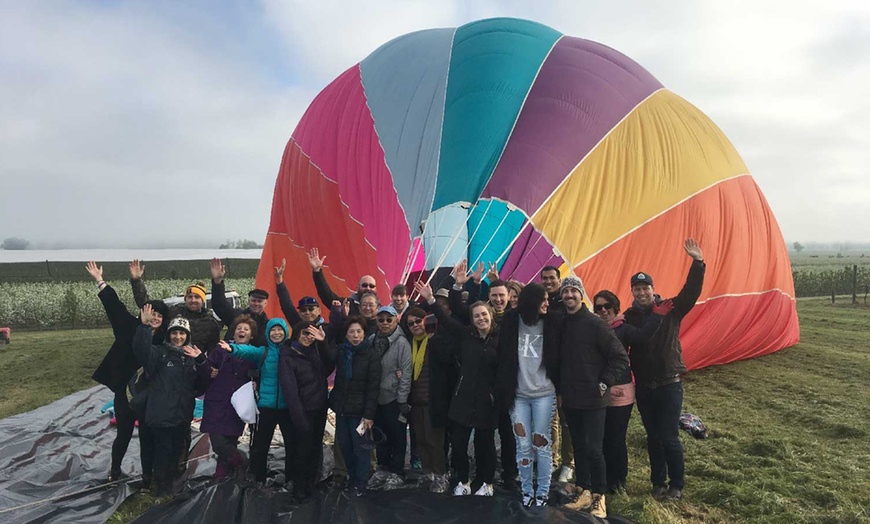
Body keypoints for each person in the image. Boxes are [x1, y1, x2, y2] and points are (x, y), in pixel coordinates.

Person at [624, 238, 705, 501]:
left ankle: (677, 485)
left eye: (645, 287)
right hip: (645, 386)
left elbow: (691, 292)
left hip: (669, 383)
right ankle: (658, 482)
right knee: (653, 437)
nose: (641, 293)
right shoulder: (629, 316)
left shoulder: (671, 308)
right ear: (632, 292)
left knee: (669, 436)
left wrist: (698, 263)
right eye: (637, 289)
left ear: (652, 288)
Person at [415, 278, 500, 497]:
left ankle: (486, 482)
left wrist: (497, 396)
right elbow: (445, 317)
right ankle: (463, 480)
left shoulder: (500, 341)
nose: (481, 318)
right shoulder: (465, 335)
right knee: (460, 445)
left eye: (484, 314)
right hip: (462, 399)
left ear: (491, 316)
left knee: (485, 446)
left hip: (486, 402)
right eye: (477, 315)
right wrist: (431, 299)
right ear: (471, 320)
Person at [86, 261, 168, 484]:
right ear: (145, 313)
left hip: (148, 395)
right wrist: (99, 280)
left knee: (146, 436)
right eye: (153, 314)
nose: (156, 318)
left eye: (160, 316)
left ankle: (147, 475)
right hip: (125, 393)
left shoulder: (164, 342)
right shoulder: (129, 327)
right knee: (123, 434)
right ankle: (115, 469)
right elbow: (114, 306)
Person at [558, 276, 630, 519]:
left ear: (581, 295)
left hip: (593, 397)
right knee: (579, 445)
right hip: (571, 396)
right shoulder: (562, 323)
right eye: (565, 291)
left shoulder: (595, 324)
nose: (569, 295)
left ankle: (600, 496)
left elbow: (620, 357)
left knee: (593, 448)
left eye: (573, 291)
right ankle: (584, 490)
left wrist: (604, 382)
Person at [593, 290, 672, 494]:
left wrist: (656, 315)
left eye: (607, 306)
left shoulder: (624, 329)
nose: (603, 311)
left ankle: (619, 479)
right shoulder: (594, 329)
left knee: (617, 437)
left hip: (621, 390)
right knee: (602, 436)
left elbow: (643, 336)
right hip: (600, 389)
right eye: (598, 307)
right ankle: (604, 477)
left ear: (615, 308)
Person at [495, 283, 561, 507]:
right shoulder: (512, 321)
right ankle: (526, 490)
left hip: (544, 393)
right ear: (532, 301)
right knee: (522, 445)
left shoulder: (553, 321)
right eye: (542, 299)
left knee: (541, 443)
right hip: (519, 394)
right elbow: (503, 355)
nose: (547, 303)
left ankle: (542, 492)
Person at [132, 306, 209, 496]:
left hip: (182, 415)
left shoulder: (191, 357)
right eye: (174, 333)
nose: (178, 337)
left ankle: (171, 483)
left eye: (182, 334)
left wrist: (201, 361)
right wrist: (143, 327)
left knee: (176, 451)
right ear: (168, 335)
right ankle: (161, 488)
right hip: (161, 414)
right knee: (163, 452)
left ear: (187, 336)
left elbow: (203, 384)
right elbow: (141, 352)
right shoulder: (159, 354)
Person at [216, 318, 292, 484]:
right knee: (260, 446)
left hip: (287, 407)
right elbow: (247, 351)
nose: (276, 333)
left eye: (280, 330)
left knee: (291, 446)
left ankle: (291, 478)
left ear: (286, 332)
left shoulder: (291, 351)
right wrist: (232, 348)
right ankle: (258, 478)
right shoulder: (263, 352)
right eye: (273, 330)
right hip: (265, 406)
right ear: (267, 333)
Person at [278, 320, 334, 501]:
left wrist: (322, 341)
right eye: (304, 333)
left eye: (311, 334)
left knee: (315, 448)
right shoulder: (288, 356)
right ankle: (298, 486)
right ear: (296, 334)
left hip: (319, 408)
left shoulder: (315, 352)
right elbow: (290, 390)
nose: (308, 338)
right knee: (301, 450)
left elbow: (331, 363)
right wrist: (298, 416)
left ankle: (311, 482)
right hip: (302, 411)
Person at [197, 314, 257, 481]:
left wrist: (256, 381)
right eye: (239, 328)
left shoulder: (253, 354)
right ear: (234, 332)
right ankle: (239, 462)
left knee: (230, 438)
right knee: (217, 440)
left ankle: (223, 472)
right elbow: (207, 366)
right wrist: (209, 369)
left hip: (237, 403)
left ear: (251, 335)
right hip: (217, 399)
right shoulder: (221, 349)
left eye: (246, 329)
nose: (242, 331)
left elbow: (260, 373)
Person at [329, 315, 382, 497]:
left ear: (364, 333)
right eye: (352, 332)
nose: (355, 335)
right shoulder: (343, 352)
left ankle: (360, 482)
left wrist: (369, 414)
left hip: (360, 413)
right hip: (343, 410)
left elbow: (373, 388)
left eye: (359, 331)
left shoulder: (372, 355)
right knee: (345, 446)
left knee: (361, 449)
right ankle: (352, 478)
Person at [404, 306, 451, 493]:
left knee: (435, 442)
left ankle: (441, 475)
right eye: (411, 323)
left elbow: (447, 360)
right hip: (416, 401)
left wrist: (433, 338)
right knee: (421, 440)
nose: (415, 325)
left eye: (418, 321)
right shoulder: (410, 344)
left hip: (434, 401)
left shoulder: (435, 341)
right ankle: (428, 473)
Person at [130, 259, 221, 353]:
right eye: (190, 297)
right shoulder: (174, 311)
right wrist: (136, 281)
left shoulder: (210, 322)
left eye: (197, 297)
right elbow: (148, 306)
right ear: (185, 299)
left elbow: (213, 349)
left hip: (195, 362)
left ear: (202, 300)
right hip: (169, 359)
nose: (193, 300)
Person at [368, 305, 412, 489]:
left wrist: (402, 399)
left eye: (389, 319)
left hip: (394, 398)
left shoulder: (402, 343)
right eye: (381, 320)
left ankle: (398, 470)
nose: (385, 323)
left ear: (396, 320)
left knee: (398, 436)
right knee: (380, 435)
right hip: (376, 397)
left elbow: (406, 371)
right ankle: (383, 467)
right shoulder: (371, 340)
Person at [308, 247, 378, 316]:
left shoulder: (382, 311)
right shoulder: (346, 304)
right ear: (357, 287)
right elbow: (327, 296)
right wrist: (317, 272)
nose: (368, 288)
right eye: (364, 285)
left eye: (371, 286)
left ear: (376, 289)